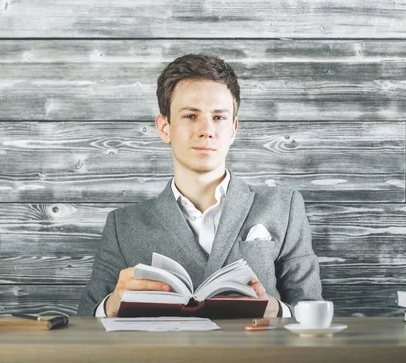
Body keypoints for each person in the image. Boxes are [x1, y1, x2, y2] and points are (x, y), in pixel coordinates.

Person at [77, 54, 322, 317]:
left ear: (233, 129)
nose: (206, 130)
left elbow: (312, 309)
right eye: (191, 115)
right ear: (164, 127)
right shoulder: (122, 226)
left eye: (218, 117)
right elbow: (84, 321)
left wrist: (274, 308)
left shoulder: (284, 208)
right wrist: (111, 304)